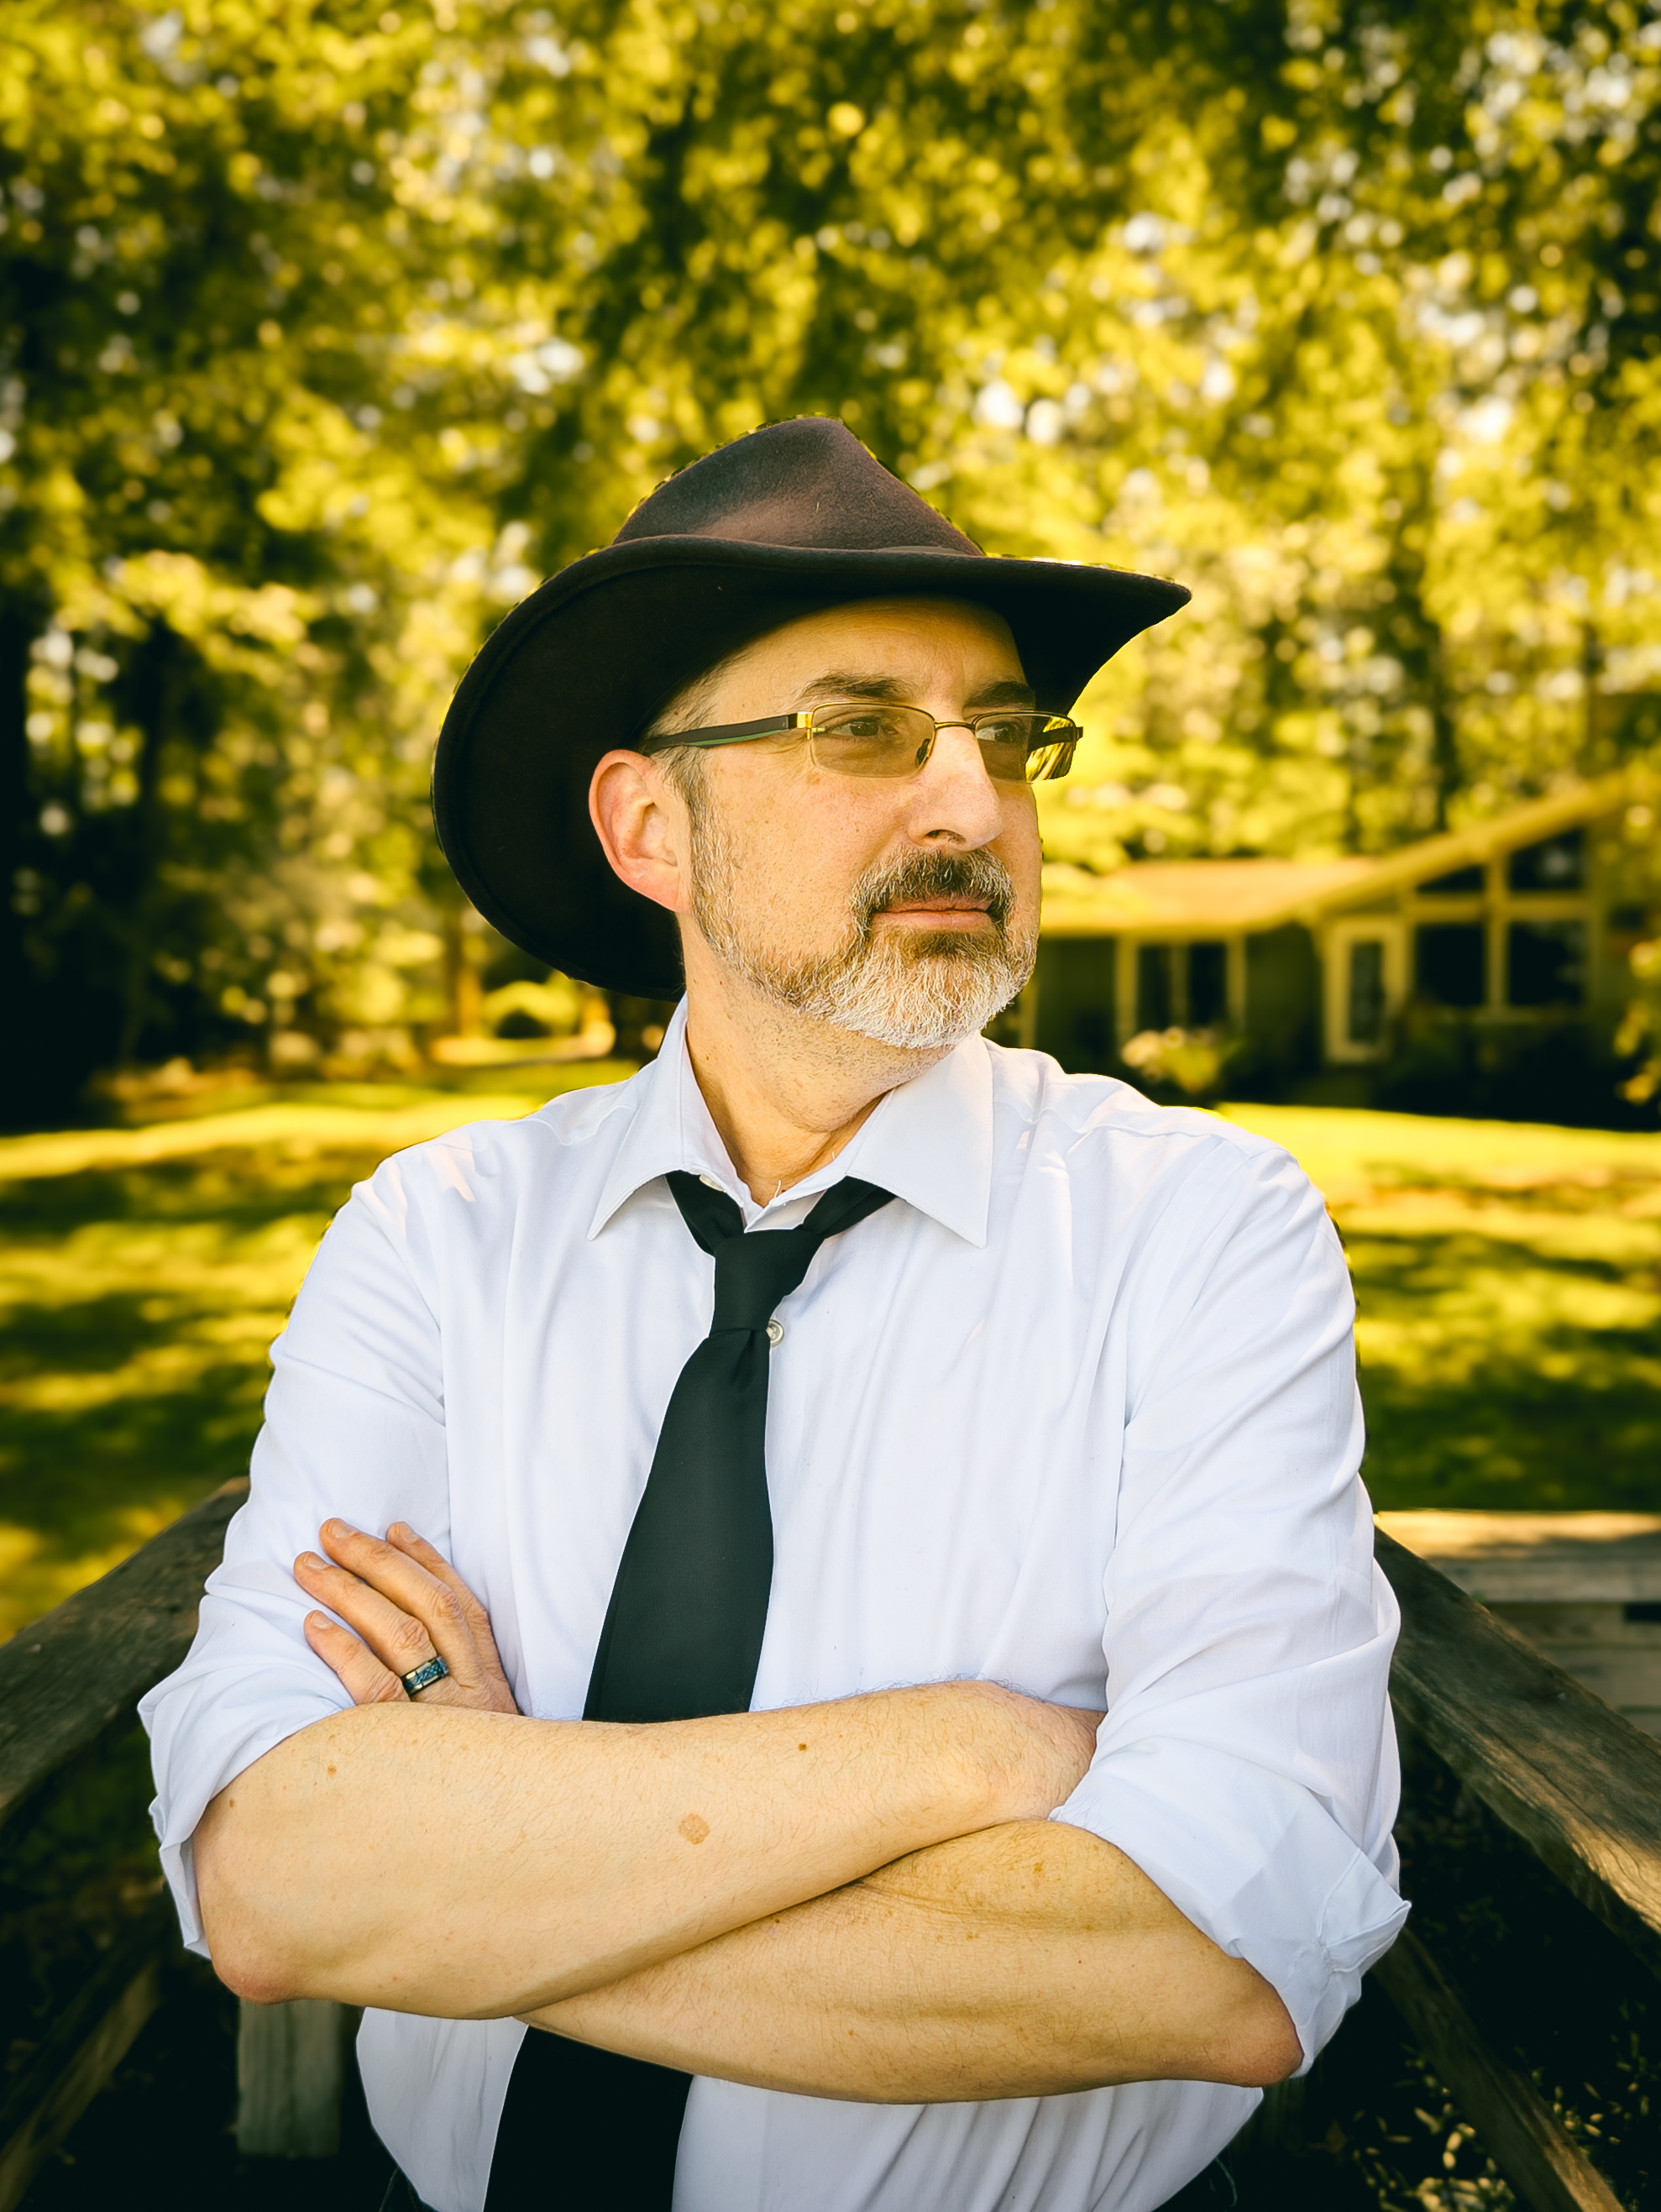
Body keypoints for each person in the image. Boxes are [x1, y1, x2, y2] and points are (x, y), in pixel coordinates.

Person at [141, 417, 1407, 2212]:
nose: (967, 802)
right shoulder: (438, 1234)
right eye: (858, 729)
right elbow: (272, 1874)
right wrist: (972, 1748)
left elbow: (1212, 1956)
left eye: (1003, 737)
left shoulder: (1196, 1234)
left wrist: (481, 1848)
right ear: (648, 824)